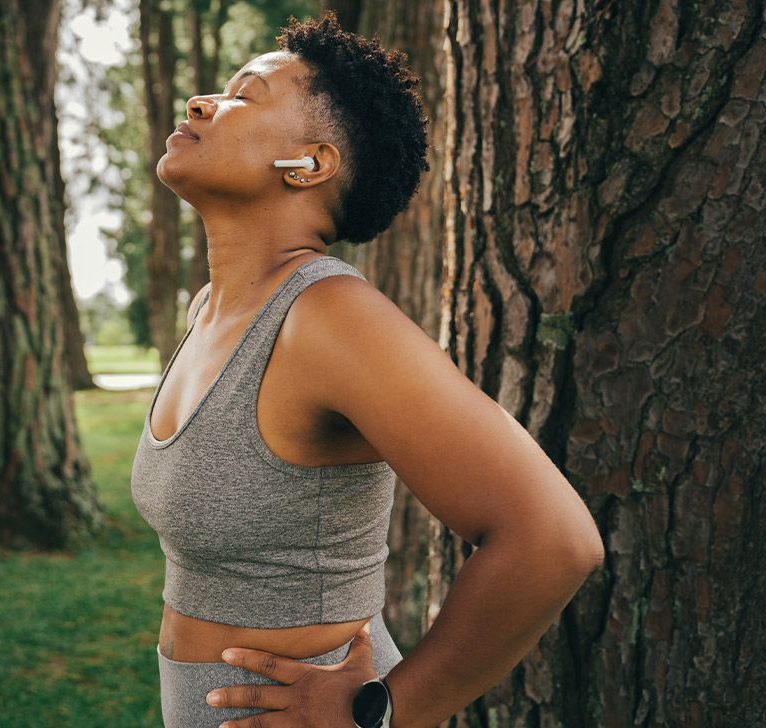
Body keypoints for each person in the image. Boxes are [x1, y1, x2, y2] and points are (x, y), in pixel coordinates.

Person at [130, 10, 604, 728]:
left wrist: (381, 713)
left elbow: (554, 539)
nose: (202, 103)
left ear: (312, 163)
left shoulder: (329, 318)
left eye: (244, 95)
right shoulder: (210, 311)